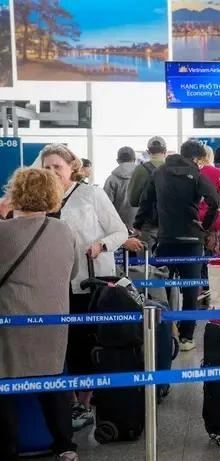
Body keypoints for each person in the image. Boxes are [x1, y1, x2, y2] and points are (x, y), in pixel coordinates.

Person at [39, 144, 129, 431]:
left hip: (87, 282)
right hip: (51, 284)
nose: (52, 172)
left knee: (84, 342)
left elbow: (120, 231)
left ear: (71, 168)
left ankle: (85, 402)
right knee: (58, 345)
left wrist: (101, 245)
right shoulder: (40, 197)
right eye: (47, 167)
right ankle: (66, 401)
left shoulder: (91, 194)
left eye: (57, 167)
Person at [0, 168, 80, 461]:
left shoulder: (3, 232)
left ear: (15, 193)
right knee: (54, 381)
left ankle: (7, 447)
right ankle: (65, 445)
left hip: (12, 321)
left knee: (5, 382)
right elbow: (73, 272)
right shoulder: (63, 230)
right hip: (54, 320)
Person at [134, 140, 220, 352]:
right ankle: (186, 337)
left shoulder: (159, 172)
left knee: (161, 289)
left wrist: (137, 226)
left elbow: (145, 201)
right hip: (191, 241)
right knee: (190, 291)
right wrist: (205, 225)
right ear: (196, 158)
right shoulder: (197, 175)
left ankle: (165, 333)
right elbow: (215, 202)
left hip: (166, 239)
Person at [103, 146, 138, 228]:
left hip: (119, 227)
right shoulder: (144, 176)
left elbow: (105, 206)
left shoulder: (111, 179)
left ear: (118, 161)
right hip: (142, 227)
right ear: (134, 159)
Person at [128, 136, 167, 208]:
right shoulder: (172, 169)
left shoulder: (140, 169)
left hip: (147, 217)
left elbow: (133, 201)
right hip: (168, 217)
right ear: (165, 151)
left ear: (148, 152)